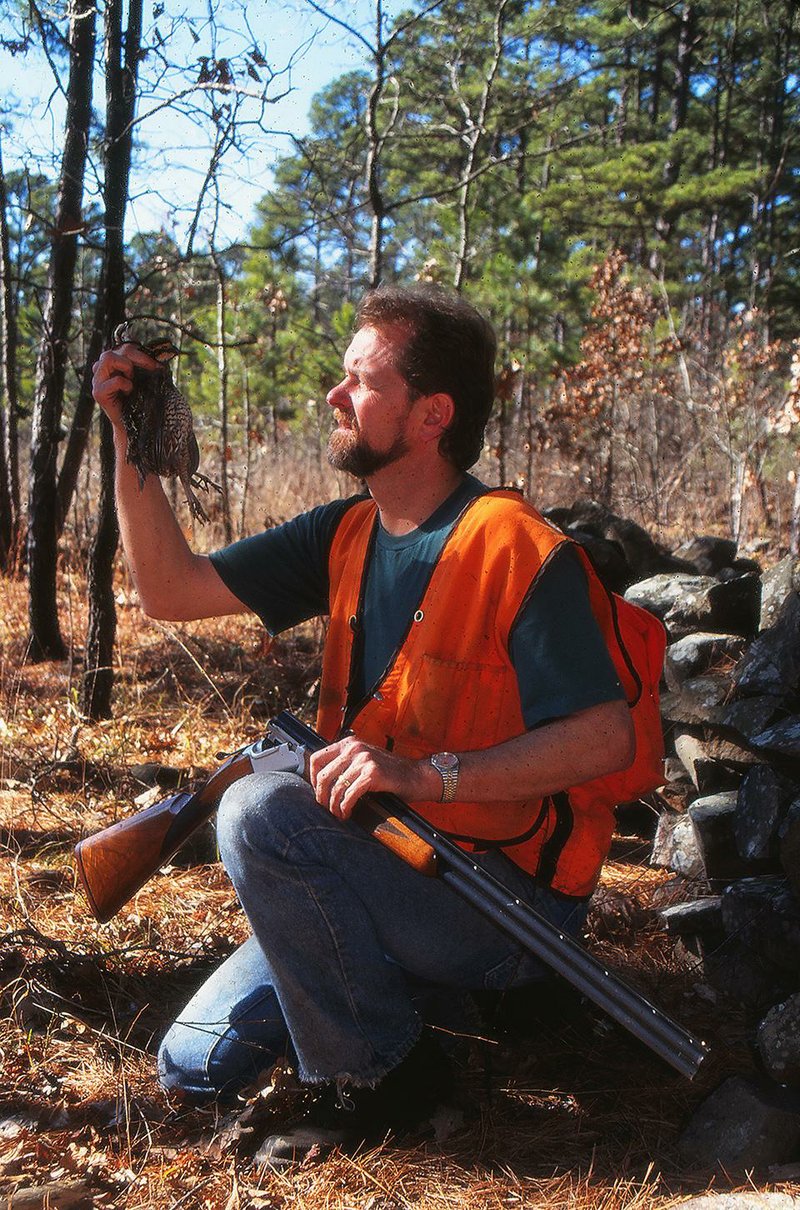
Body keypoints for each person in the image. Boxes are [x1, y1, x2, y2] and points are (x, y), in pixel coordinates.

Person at [92, 286, 635, 1164]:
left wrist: (426, 777)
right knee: (194, 1065)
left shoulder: (516, 546)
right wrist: (132, 447)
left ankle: (386, 1082)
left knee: (260, 813)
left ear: (432, 415)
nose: (334, 396)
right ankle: (421, 1003)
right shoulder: (347, 531)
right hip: (385, 867)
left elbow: (605, 738)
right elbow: (170, 589)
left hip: (499, 900)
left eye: (359, 379)